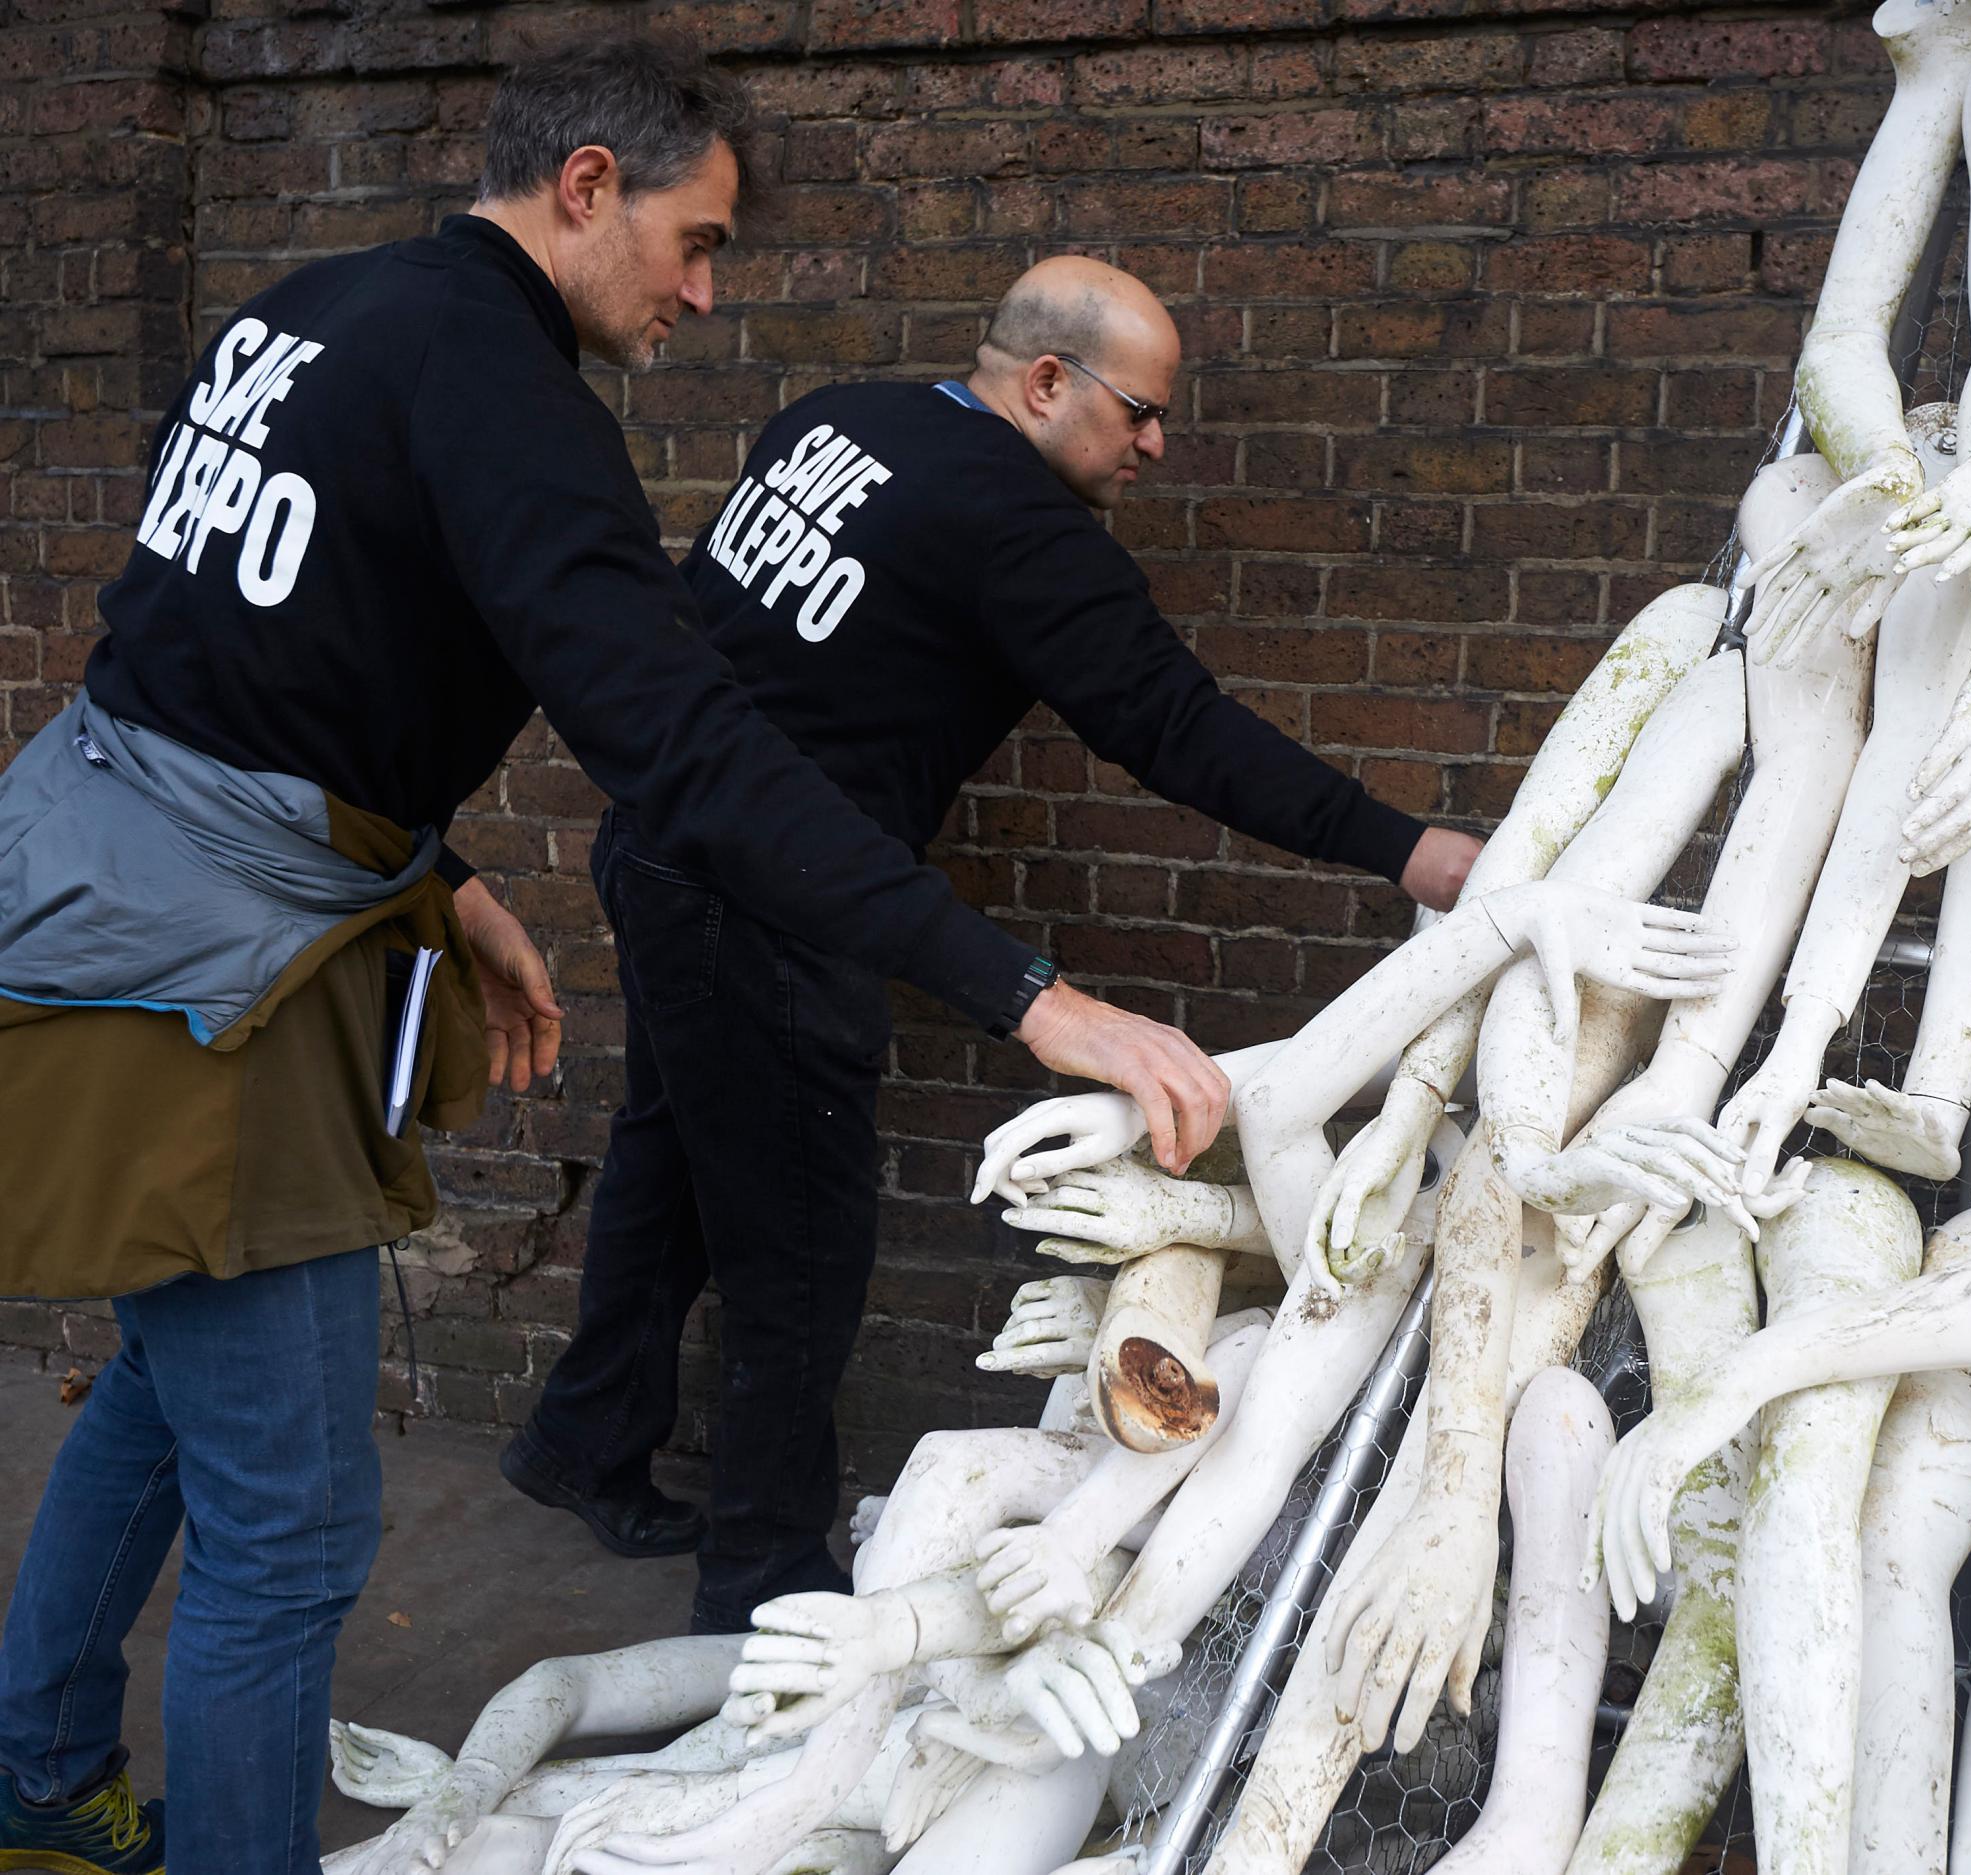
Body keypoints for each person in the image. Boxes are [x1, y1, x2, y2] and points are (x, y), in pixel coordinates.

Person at [0, 38, 1237, 1875]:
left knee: (175, 1398)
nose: (704, 291)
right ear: (588, 184)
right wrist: (1026, 993)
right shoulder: (510, 398)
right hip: (206, 992)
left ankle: (38, 1792)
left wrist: (451, 879)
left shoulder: (316, 311)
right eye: (697, 237)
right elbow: (698, 752)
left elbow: (215, 658)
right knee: (295, 1530)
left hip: (84, 890)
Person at [505, 254, 1485, 1636]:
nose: (1155, 443)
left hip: (664, 847)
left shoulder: (840, 417)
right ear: (1044, 383)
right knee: (799, 1242)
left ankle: (584, 1443)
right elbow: (1177, 729)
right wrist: (1408, 846)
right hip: (784, 902)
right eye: (1137, 412)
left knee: (670, 1159)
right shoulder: (1020, 525)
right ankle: (766, 1581)